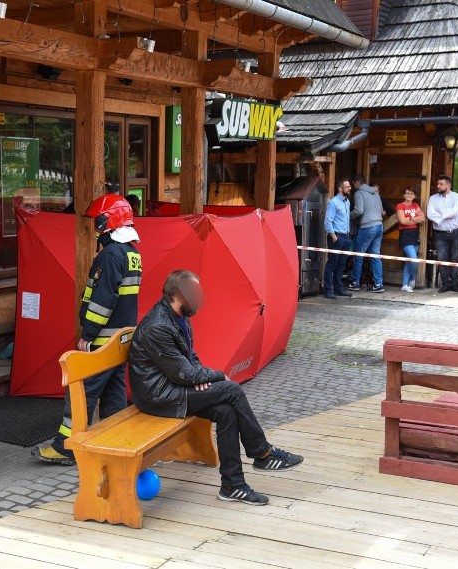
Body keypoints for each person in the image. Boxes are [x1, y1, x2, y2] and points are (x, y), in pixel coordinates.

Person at [129, 270, 303, 505]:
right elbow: (185, 373)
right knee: (231, 390)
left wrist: (203, 379)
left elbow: (191, 360)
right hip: (158, 396)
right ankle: (262, 452)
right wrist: (219, 376)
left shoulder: (180, 316)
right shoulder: (158, 326)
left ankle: (233, 485)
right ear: (179, 294)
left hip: (174, 388)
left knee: (226, 411)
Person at [32, 194, 142, 465]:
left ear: (107, 222)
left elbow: (102, 301)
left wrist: (88, 334)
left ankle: (66, 447)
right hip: (122, 338)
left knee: (81, 389)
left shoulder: (110, 255)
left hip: (103, 339)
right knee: (115, 392)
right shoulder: (132, 253)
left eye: (97, 220)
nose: (95, 225)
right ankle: (114, 442)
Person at [426, 175, 458, 293]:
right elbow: (430, 214)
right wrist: (445, 215)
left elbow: (455, 212)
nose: (438, 186)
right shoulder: (433, 198)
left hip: (456, 232)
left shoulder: (457, 197)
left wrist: (440, 214)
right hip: (440, 233)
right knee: (442, 259)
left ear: (448, 185)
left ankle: (454, 284)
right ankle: (445, 284)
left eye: (441, 184)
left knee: (455, 258)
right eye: (438, 184)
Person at [347, 174, 385, 293]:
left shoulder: (359, 193)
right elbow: (381, 210)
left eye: (353, 184)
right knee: (375, 256)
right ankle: (378, 284)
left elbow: (359, 210)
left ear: (357, 182)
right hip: (379, 225)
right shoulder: (376, 193)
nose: (353, 187)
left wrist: (348, 216)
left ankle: (355, 282)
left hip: (367, 226)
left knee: (358, 255)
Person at [323, 178, 353, 299]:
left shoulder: (347, 202)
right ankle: (328, 289)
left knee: (341, 264)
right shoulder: (333, 202)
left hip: (346, 236)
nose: (349, 188)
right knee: (332, 263)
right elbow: (328, 221)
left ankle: (338, 287)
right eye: (347, 186)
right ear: (340, 189)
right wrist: (334, 237)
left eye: (349, 186)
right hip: (337, 236)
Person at [395, 187, 426, 293]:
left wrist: (411, 219)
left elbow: (422, 219)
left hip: (415, 234)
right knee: (413, 259)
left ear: (414, 196)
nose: (409, 195)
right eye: (407, 193)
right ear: (404, 195)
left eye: (411, 193)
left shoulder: (416, 205)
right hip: (405, 235)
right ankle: (412, 278)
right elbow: (403, 221)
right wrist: (414, 219)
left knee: (410, 261)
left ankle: (405, 284)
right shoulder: (400, 206)